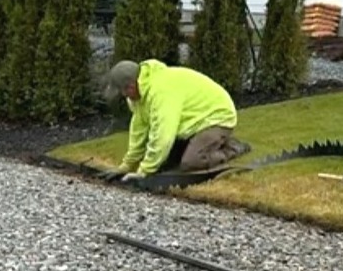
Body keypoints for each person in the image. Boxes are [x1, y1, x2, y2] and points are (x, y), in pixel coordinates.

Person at [100, 59, 251, 182]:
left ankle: (233, 148)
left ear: (132, 85)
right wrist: (127, 166)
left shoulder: (160, 92)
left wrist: (144, 171)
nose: (123, 95)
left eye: (123, 91)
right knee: (167, 163)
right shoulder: (137, 97)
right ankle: (206, 143)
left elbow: (163, 135)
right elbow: (139, 131)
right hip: (192, 122)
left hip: (216, 117)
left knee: (191, 163)